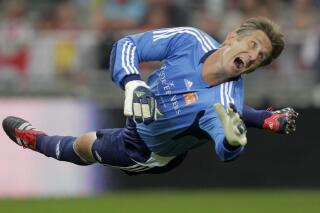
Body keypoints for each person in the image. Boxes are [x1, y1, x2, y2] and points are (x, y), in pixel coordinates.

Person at [3, 17, 298, 175]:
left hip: (147, 151)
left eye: (260, 57)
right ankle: (264, 117)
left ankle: (35, 141)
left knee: (85, 144)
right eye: (253, 44)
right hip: (141, 115)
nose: (253, 56)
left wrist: (234, 141)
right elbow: (128, 45)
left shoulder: (225, 102)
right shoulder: (190, 40)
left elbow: (225, 146)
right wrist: (133, 83)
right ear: (232, 37)